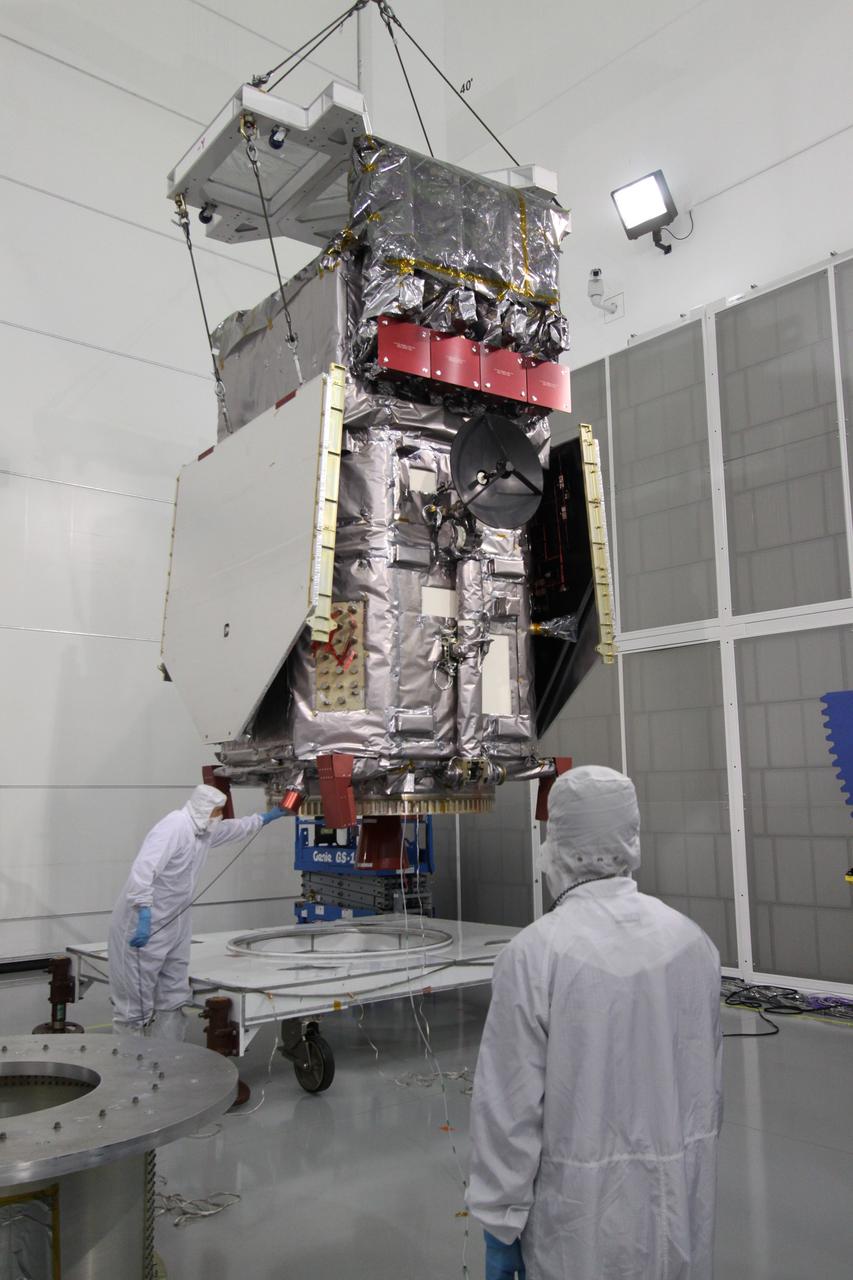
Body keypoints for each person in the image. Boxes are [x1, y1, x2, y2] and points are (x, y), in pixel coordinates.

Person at [468, 765, 722, 1280]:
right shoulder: (693, 943)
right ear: (632, 836)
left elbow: (509, 1107)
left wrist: (500, 1223)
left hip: (577, 1221)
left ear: (555, 842)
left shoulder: (535, 954)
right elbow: (706, 1093)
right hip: (679, 1206)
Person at [109, 784, 286, 1039]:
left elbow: (233, 829)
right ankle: (131, 1068)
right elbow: (143, 871)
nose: (220, 817)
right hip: (144, 923)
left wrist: (265, 818)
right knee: (134, 1007)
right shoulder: (174, 827)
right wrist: (144, 912)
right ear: (203, 808)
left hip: (175, 922)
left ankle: (169, 1060)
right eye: (216, 812)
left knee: (174, 996)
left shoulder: (202, 831)